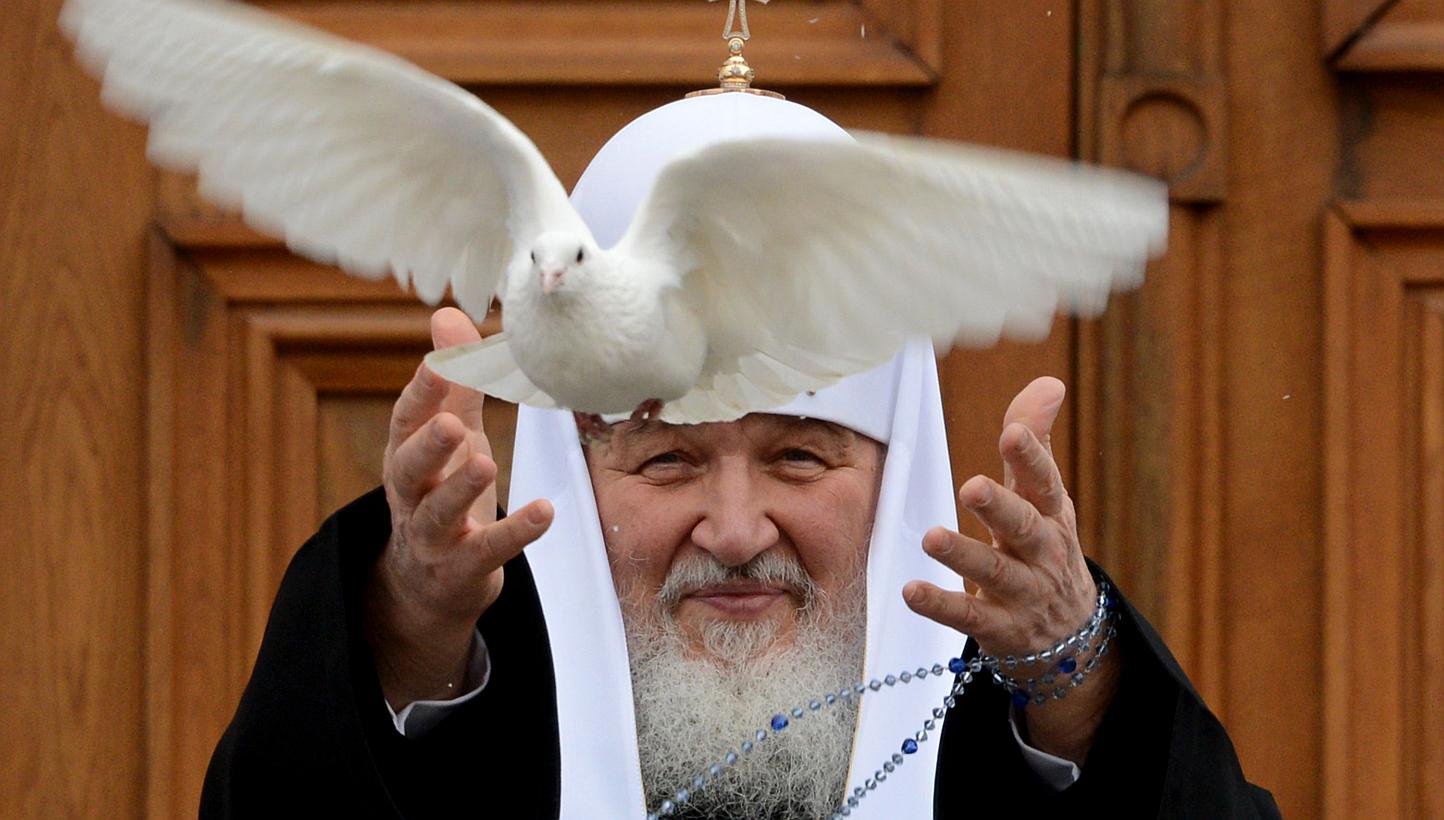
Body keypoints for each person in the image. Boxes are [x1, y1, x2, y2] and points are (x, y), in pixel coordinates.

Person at [201, 94, 1280, 819]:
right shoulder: (464, 696)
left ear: (893, 474)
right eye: (666, 462)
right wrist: (404, 617)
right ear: (574, 472)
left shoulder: (1007, 708)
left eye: (802, 458)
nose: (731, 528)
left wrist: (1074, 675)